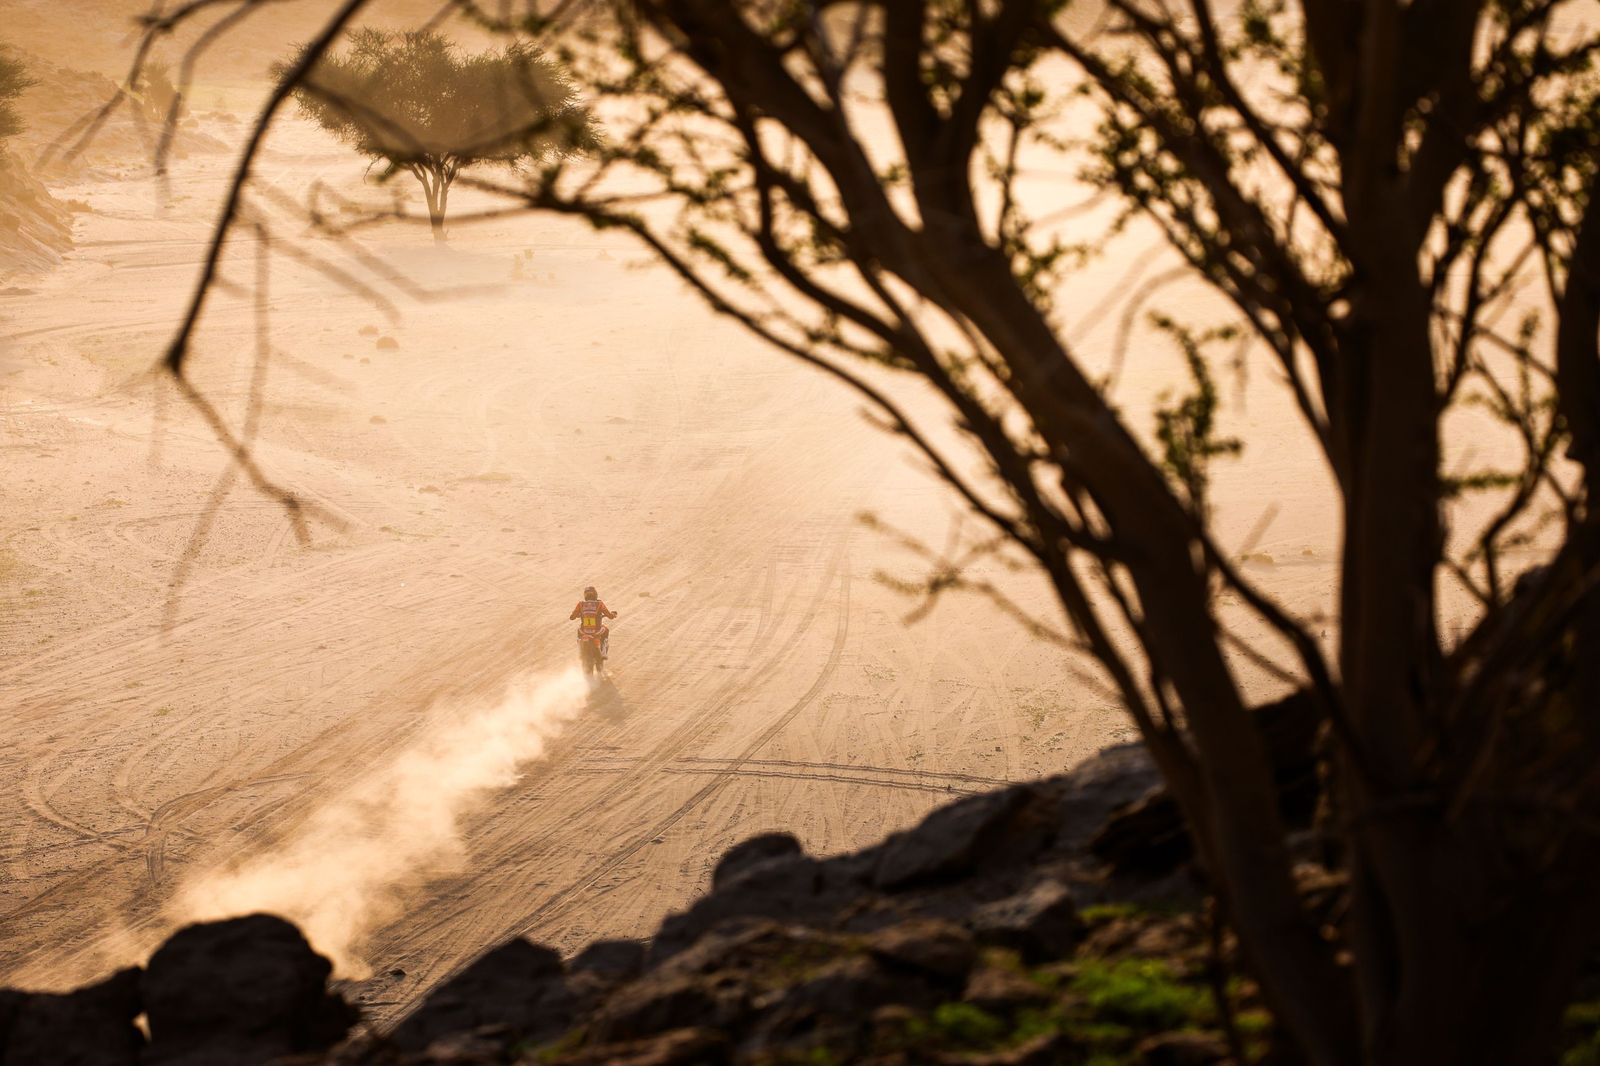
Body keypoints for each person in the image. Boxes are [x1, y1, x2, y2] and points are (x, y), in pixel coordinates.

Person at [570, 585, 618, 658]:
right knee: (606, 630)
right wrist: (612, 615)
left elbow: (572, 617)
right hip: (597, 630)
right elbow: (609, 616)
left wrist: (577, 615)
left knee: (579, 633)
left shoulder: (580, 604)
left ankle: (580, 651)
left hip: (584, 631)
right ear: (595, 594)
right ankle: (603, 651)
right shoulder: (599, 603)